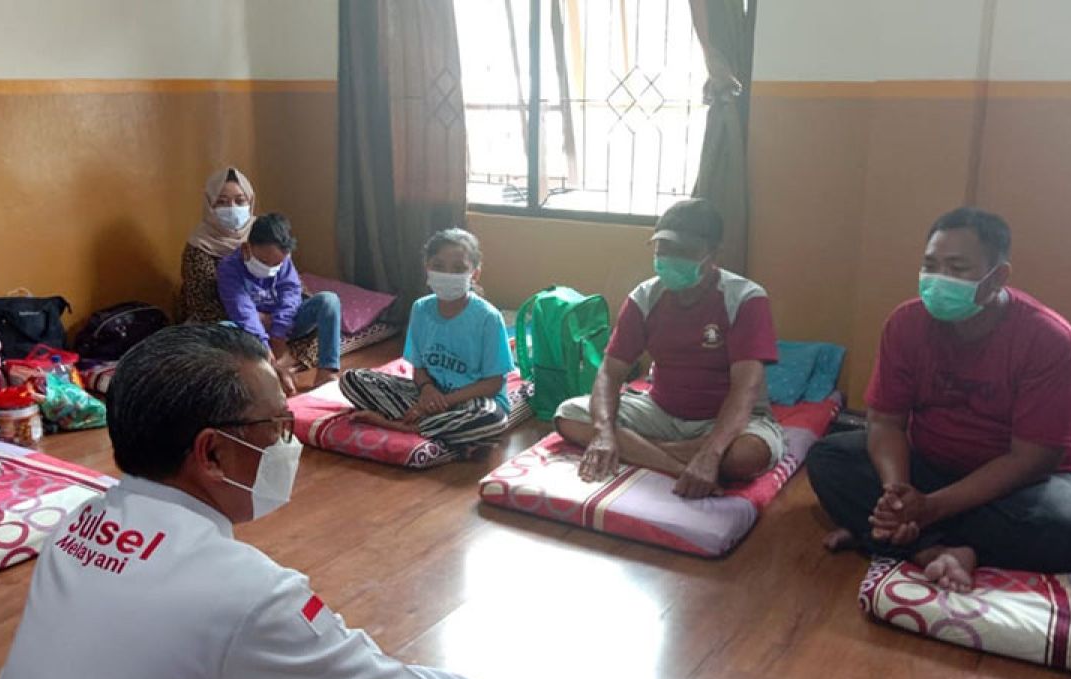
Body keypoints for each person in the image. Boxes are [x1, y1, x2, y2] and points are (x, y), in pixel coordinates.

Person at [0, 324, 565, 679]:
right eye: (278, 426)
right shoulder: (244, 596)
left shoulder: (77, 526)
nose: (290, 443)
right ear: (211, 452)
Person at [806, 207, 1071, 592]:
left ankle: (906, 541)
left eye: (957, 268)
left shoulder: (1051, 343)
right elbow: (885, 421)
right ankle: (937, 550)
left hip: (1025, 484)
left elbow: (1031, 460)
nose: (938, 280)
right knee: (828, 459)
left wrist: (930, 509)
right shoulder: (906, 324)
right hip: (932, 465)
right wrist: (897, 494)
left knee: (1064, 523)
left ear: (998, 277)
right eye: (930, 265)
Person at [553, 199, 785, 499]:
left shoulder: (745, 299)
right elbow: (610, 372)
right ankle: (672, 464)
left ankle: (642, 451)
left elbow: (745, 391)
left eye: (684, 252)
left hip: (726, 421)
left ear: (712, 254)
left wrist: (712, 452)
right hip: (660, 411)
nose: (670, 259)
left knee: (745, 456)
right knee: (567, 415)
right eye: (663, 250)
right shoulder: (645, 297)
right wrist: (603, 433)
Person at [338, 229, 515, 452]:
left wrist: (444, 402)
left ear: (475, 274)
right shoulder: (421, 308)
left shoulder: (487, 318)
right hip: (428, 395)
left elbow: (493, 383)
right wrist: (428, 391)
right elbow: (419, 367)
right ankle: (437, 427)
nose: (448, 274)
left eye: (459, 269)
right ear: (427, 269)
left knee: (492, 418)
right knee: (352, 379)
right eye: (439, 266)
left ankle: (401, 425)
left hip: (470, 399)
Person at [218, 212, 342, 391]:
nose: (270, 268)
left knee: (329, 301)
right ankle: (255, 375)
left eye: (275, 264)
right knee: (223, 328)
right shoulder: (229, 268)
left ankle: (327, 371)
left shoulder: (283, 262)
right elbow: (242, 310)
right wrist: (265, 349)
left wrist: (279, 333)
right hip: (250, 327)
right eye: (263, 262)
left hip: (284, 323)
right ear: (247, 248)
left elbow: (291, 294)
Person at [180, 165, 256, 324]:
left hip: (271, 315)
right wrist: (257, 321)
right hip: (224, 323)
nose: (232, 208)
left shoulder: (262, 234)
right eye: (222, 202)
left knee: (319, 308)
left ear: (250, 201)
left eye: (240, 200)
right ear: (210, 205)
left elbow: (289, 278)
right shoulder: (199, 247)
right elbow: (206, 308)